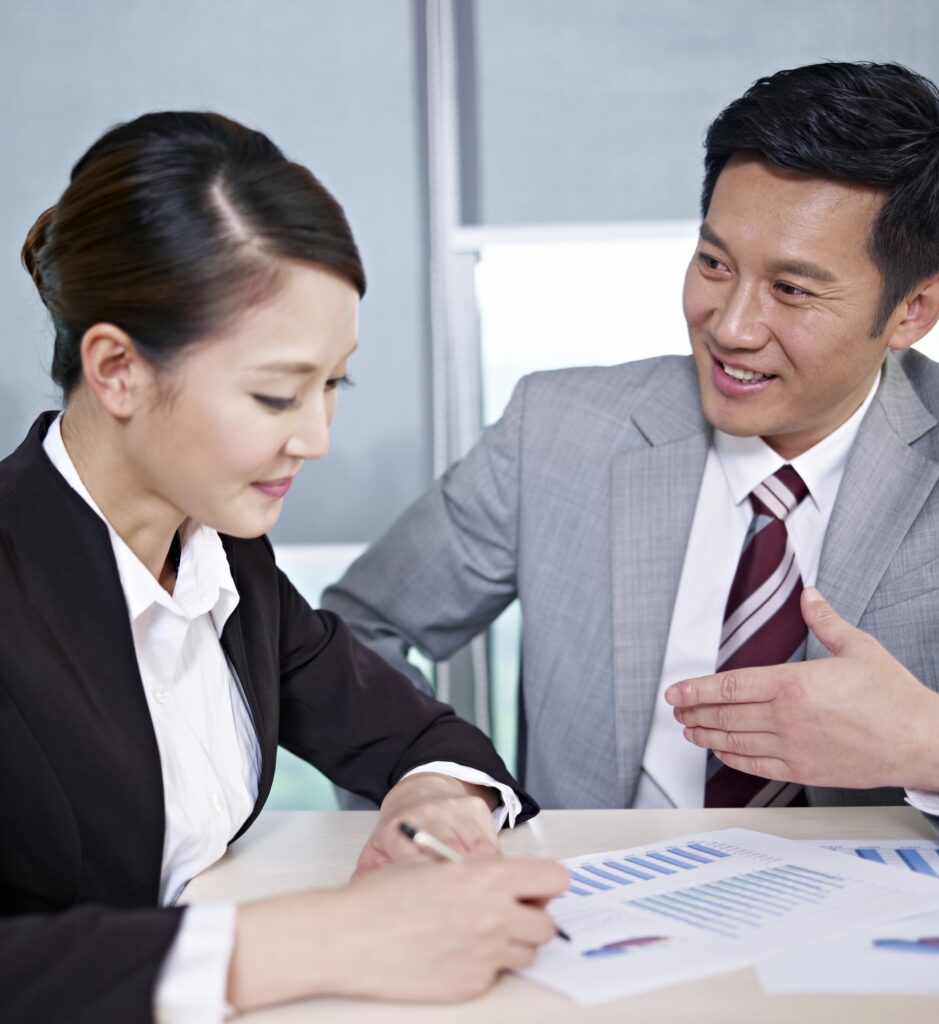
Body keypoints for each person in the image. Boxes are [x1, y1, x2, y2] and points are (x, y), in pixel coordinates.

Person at [324, 62, 939, 865]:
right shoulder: (555, 430)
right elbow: (355, 633)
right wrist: (434, 778)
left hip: (880, 934)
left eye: (792, 290)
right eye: (715, 264)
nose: (729, 326)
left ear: (914, 309)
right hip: (591, 917)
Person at [0, 111, 568, 1024]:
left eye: (333, 384)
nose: (316, 438)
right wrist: (331, 936)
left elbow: (424, 739)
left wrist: (431, 814)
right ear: (116, 370)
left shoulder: (226, 557)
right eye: (275, 393)